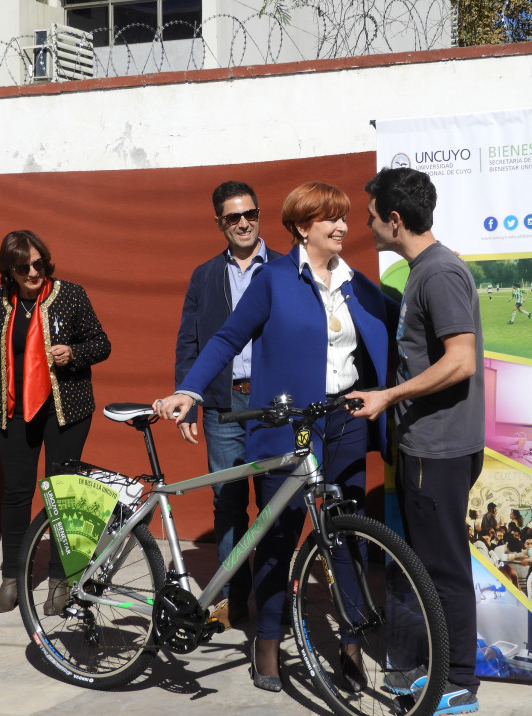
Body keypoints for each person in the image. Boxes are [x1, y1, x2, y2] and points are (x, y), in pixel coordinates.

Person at [156, 182, 394, 693]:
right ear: (303, 227)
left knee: (345, 532)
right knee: (278, 535)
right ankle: (267, 639)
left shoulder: (358, 283)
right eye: (330, 218)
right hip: (290, 425)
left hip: (345, 419)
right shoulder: (275, 279)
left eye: (345, 217)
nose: (342, 227)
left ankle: (350, 644)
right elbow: (226, 337)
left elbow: (398, 333)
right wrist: (190, 391)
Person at [350, 167, 484, 714]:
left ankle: (458, 682)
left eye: (371, 215)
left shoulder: (439, 274)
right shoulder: (422, 272)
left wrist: (388, 396)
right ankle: (437, 669)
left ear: (395, 219)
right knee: (427, 565)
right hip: (427, 447)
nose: (366, 223)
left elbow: (462, 360)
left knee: (445, 567)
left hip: (439, 450)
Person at [0, 231, 111, 613]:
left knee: (64, 495)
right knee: (17, 494)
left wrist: (75, 352)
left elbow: (102, 343)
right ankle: (12, 578)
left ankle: (61, 580)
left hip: (66, 410)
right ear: (9, 270)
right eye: (24, 267)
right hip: (16, 411)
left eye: (39, 263)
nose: (34, 272)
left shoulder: (70, 294)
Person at [173, 181, 282, 628]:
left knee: (278, 503)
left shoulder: (285, 268)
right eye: (233, 217)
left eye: (249, 214)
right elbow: (190, 342)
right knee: (229, 504)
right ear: (219, 222)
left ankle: (276, 606)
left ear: (259, 214)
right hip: (222, 406)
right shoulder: (204, 275)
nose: (243, 223)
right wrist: (189, 400)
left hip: (273, 404)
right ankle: (233, 601)